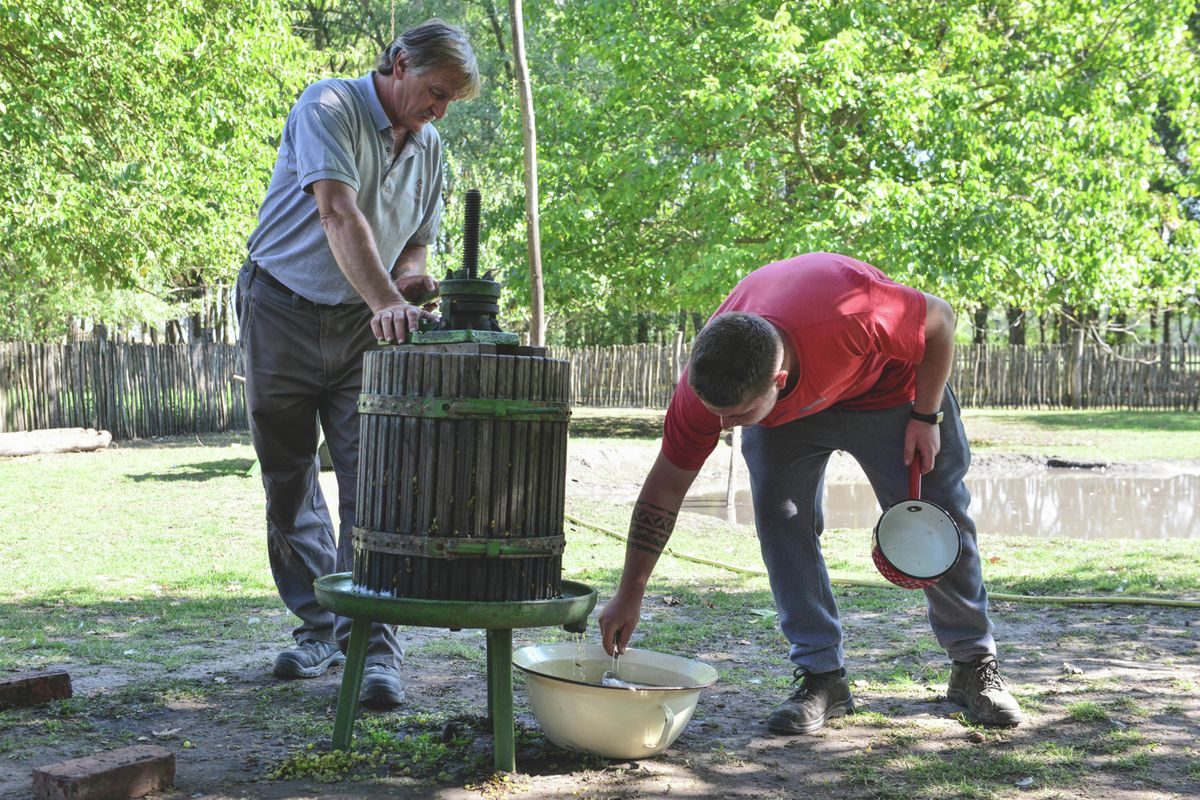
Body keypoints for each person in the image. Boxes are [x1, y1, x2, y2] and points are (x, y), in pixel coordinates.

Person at [597, 252, 1023, 733]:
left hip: (891, 394)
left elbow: (941, 319)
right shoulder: (708, 390)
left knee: (938, 519)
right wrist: (628, 595)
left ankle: (974, 666)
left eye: (735, 416)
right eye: (717, 413)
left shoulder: (854, 312)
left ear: (777, 381)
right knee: (782, 521)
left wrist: (926, 415)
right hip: (788, 417)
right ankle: (823, 677)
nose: (721, 427)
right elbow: (665, 488)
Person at [236, 20, 480, 708]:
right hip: (279, 307)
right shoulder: (329, 106)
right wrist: (384, 302)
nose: (438, 112)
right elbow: (338, 212)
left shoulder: (429, 148)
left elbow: (413, 252)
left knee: (373, 483)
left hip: (361, 326)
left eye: (449, 104)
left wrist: (409, 285)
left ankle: (373, 648)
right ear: (399, 63)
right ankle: (319, 625)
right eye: (434, 94)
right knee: (288, 479)